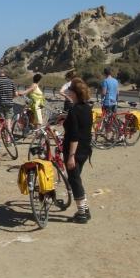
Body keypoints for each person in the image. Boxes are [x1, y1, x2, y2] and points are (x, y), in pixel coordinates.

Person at [63, 77, 93, 224]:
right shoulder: (87, 108)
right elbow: (83, 128)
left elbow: (74, 136)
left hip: (75, 150)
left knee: (74, 179)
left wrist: (71, 156)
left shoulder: (74, 110)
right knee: (76, 178)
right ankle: (85, 209)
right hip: (86, 149)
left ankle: (82, 213)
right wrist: (66, 119)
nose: (67, 91)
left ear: (74, 93)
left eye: (69, 89)